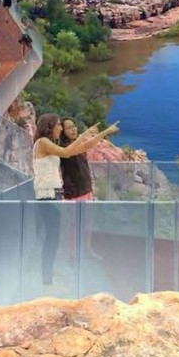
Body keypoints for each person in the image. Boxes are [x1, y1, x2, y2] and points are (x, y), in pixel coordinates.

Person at [33, 114, 119, 285]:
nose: (59, 128)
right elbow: (67, 152)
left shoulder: (48, 144)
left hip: (53, 194)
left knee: (54, 236)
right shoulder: (43, 142)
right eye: (58, 125)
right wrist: (86, 132)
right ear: (49, 126)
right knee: (52, 237)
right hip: (46, 195)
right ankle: (47, 279)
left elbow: (80, 148)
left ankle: (49, 274)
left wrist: (99, 134)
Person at [59, 117, 100, 260]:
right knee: (74, 224)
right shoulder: (64, 147)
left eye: (74, 126)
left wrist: (105, 131)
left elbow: (89, 145)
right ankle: (72, 255)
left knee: (88, 222)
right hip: (74, 192)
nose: (73, 129)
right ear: (63, 131)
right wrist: (88, 133)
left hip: (86, 189)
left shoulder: (78, 145)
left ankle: (87, 250)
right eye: (69, 127)